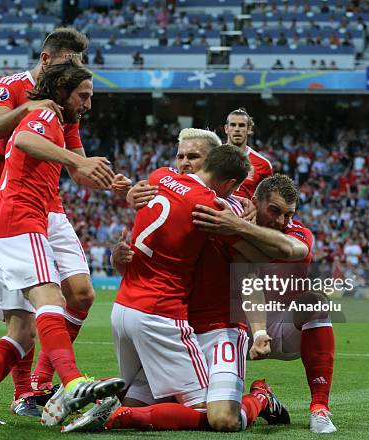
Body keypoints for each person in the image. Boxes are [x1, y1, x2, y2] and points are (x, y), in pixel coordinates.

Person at [67, 133, 288, 434]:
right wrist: (119, 255)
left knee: (222, 419)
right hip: (174, 325)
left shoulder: (224, 209)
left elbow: (252, 271)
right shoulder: (174, 190)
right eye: (180, 156)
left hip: (218, 329)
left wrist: (259, 330)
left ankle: (261, 397)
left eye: (193, 158)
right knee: (144, 404)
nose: (185, 163)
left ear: (209, 161)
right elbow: (139, 261)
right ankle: (95, 397)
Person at [0, 63, 125, 426]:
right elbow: (26, 139)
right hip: (20, 220)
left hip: (16, 223)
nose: (89, 104)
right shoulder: (46, 113)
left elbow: (9, 147)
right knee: (52, 300)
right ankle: (72, 382)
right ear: (63, 88)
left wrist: (109, 181)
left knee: (23, 331)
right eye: (84, 95)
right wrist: (76, 158)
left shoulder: (55, 119)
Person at [190, 174, 337, 434]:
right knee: (203, 411)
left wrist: (238, 226)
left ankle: (320, 408)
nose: (281, 221)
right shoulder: (232, 216)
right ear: (255, 202)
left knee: (315, 301)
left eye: (288, 214)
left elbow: (290, 251)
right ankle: (262, 397)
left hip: (282, 329)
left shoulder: (297, 233)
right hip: (229, 327)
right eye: (274, 211)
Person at [223, 108, 273, 199]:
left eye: (241, 125)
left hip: (245, 213)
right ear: (226, 128)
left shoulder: (263, 164)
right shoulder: (211, 157)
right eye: (233, 125)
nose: (237, 129)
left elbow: (265, 200)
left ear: (249, 129)